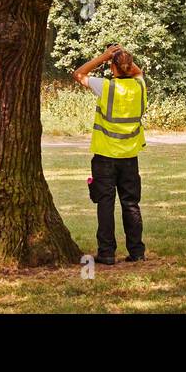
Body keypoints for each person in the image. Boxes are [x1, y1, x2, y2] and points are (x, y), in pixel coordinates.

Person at [73, 44, 147, 264]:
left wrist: (104, 56)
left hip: (105, 155)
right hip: (130, 156)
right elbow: (137, 71)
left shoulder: (105, 86)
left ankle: (106, 253)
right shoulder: (139, 86)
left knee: (105, 203)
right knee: (130, 203)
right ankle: (137, 251)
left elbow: (79, 74)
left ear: (112, 68)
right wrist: (122, 58)